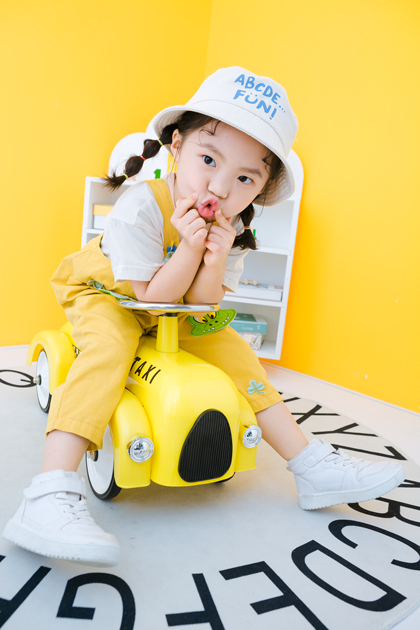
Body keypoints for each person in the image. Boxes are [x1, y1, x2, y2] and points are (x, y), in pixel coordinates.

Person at [3, 67, 405, 567]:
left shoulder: (231, 228)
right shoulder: (140, 207)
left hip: (173, 304)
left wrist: (212, 259)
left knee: (234, 349)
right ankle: (48, 492)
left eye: (244, 178)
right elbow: (150, 296)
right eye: (208, 159)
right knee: (107, 349)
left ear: (260, 190)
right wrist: (192, 249)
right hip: (111, 293)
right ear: (177, 146)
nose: (219, 186)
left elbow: (200, 305)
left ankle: (310, 465)